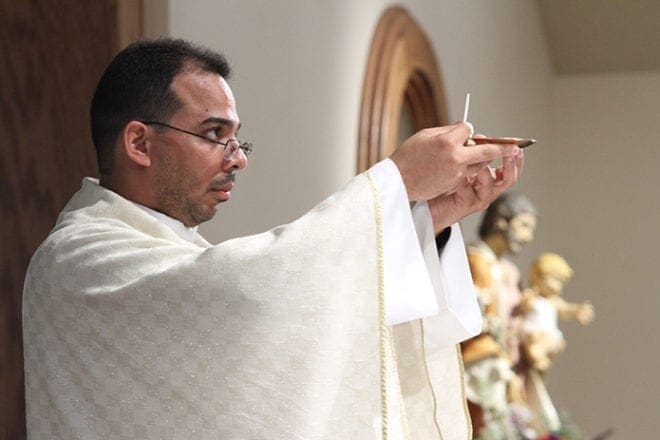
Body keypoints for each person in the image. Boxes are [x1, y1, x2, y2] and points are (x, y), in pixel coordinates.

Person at [22, 38, 523, 439]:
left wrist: (423, 224)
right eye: (215, 133)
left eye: (237, 139)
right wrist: (393, 183)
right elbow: (251, 300)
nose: (237, 159)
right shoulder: (77, 258)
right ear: (139, 142)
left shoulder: (169, 252)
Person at [460, 192, 538, 439]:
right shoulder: (475, 262)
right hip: (482, 367)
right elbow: (476, 323)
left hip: (508, 369)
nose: (529, 237)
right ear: (501, 220)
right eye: (524, 226)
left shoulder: (508, 271)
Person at [519, 252, 594, 433]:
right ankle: (535, 355)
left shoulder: (553, 302)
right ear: (538, 276)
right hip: (531, 334)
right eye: (555, 280)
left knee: (555, 341)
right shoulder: (533, 297)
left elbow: (566, 310)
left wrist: (578, 311)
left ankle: (537, 356)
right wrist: (527, 300)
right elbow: (522, 307)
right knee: (537, 346)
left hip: (547, 337)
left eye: (561, 282)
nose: (558, 287)